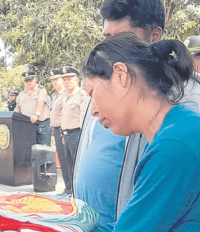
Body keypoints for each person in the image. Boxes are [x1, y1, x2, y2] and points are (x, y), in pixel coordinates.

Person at [81, 31, 200, 231]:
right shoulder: (178, 129)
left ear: (120, 76)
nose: (93, 110)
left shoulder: (174, 146)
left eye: (92, 93)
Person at [73, 0, 165, 225]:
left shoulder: (169, 103)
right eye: (106, 38)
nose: (108, 48)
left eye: (122, 38)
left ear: (155, 37)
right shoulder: (103, 82)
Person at [60, 66, 89, 195]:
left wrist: (84, 136)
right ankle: (70, 189)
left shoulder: (81, 95)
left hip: (77, 134)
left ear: (77, 80)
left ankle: (78, 191)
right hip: (67, 135)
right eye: (64, 79)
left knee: (78, 164)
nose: (66, 82)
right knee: (69, 165)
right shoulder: (66, 96)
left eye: (69, 79)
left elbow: (83, 117)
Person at [14, 71, 51, 145]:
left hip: (41, 125)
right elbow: (18, 108)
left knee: (43, 150)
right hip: (27, 125)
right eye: (26, 80)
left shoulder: (41, 90)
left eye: (31, 80)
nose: (29, 82)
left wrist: (36, 115)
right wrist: (10, 117)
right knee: (29, 150)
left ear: (35, 80)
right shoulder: (21, 94)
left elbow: (41, 103)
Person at [48, 68, 69, 193]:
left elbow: (65, 115)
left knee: (67, 161)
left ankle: (70, 187)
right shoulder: (56, 96)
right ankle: (68, 187)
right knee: (62, 159)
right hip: (56, 130)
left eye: (57, 80)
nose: (54, 82)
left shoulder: (66, 95)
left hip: (63, 131)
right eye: (53, 80)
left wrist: (62, 132)